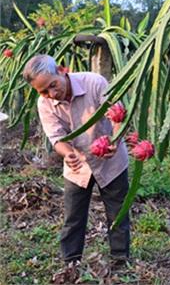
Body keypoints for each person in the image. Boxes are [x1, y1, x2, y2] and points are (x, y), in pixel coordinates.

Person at [22, 54, 130, 266]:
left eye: (53, 85)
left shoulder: (94, 83)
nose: (51, 94)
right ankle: (70, 263)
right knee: (73, 217)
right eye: (43, 91)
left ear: (62, 70)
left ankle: (120, 260)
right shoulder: (44, 103)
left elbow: (118, 114)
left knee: (118, 213)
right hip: (78, 166)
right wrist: (67, 153)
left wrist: (115, 140)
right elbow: (56, 137)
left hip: (111, 160)